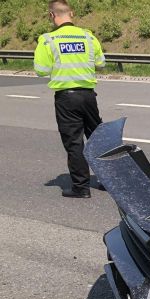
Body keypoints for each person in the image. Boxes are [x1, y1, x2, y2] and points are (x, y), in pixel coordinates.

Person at [34, 0, 105, 198]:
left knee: (74, 143)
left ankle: (81, 188)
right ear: (71, 14)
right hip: (89, 96)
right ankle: (111, 182)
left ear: (51, 15)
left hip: (66, 98)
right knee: (98, 140)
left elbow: (41, 70)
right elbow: (101, 63)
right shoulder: (88, 36)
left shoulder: (48, 40)